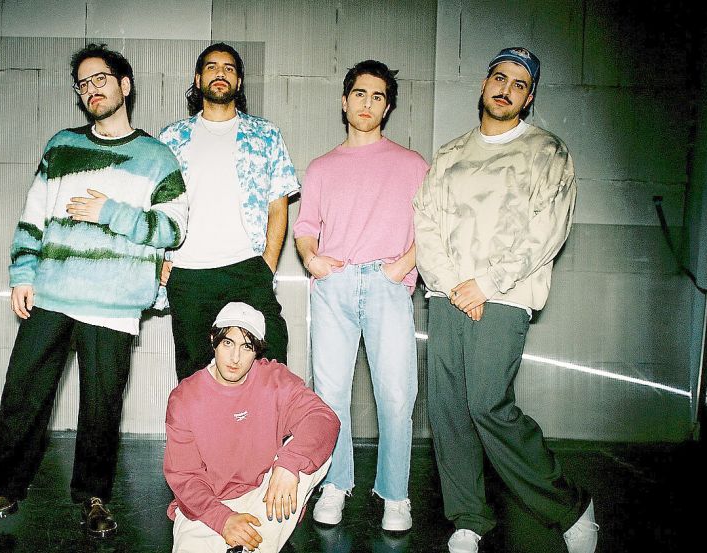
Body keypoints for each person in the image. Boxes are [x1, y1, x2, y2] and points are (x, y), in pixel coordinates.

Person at [0, 43, 188, 539]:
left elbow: (173, 229)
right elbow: (33, 215)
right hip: (52, 293)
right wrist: (22, 273)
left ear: (124, 85)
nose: (91, 89)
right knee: (22, 396)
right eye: (83, 83)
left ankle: (93, 497)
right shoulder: (61, 146)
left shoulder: (157, 157)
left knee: (100, 408)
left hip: (113, 304)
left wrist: (110, 212)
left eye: (100, 79)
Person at [413, 47, 598, 553]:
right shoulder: (451, 154)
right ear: (484, 83)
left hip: (505, 295)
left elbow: (547, 231)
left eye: (519, 84)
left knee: (487, 403)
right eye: (499, 77)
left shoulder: (548, 152)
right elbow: (425, 222)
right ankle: (468, 517)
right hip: (447, 292)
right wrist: (455, 284)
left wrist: (486, 284)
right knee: (449, 410)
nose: (506, 89)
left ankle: (569, 506)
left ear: (529, 97)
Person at [293, 60, 427, 532]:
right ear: (344, 101)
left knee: (397, 394)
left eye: (377, 96)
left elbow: (432, 229)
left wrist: (401, 268)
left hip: (388, 284)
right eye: (359, 94)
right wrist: (312, 259)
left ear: (387, 107)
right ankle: (335, 484)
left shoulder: (413, 165)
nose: (367, 103)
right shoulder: (322, 167)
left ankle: (395, 493)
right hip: (335, 285)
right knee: (329, 393)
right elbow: (305, 227)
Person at [157, 42, 300, 380]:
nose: (220, 73)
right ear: (198, 79)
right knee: (195, 377)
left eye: (229, 68)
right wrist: (156, 259)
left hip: (247, 267)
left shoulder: (265, 134)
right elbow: (156, 205)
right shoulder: (171, 137)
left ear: (238, 82)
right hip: (188, 272)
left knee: (270, 364)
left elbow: (278, 205)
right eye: (211, 67)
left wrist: (266, 265)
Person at [163, 302, 340, 552]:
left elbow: (323, 417)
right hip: (208, 507)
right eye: (228, 343)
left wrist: (289, 464)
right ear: (213, 339)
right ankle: (254, 541)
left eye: (246, 347)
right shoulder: (185, 398)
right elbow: (184, 476)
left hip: (263, 497)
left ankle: (254, 539)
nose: (235, 358)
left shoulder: (274, 380)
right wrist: (222, 519)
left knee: (311, 452)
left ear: (257, 350)